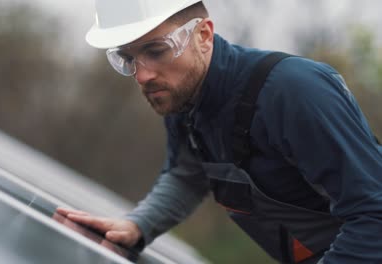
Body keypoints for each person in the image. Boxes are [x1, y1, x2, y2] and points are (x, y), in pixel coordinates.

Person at [57, 1, 382, 263]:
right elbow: (187, 174)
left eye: (156, 50)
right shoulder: (182, 99)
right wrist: (138, 225)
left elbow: (374, 213)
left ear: (204, 35)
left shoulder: (294, 91)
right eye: (127, 58)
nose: (142, 75)